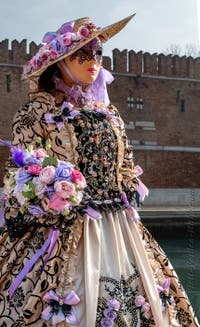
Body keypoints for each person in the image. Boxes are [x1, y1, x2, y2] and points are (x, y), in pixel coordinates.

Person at [0, 14, 199, 327]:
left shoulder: (109, 113)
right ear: (61, 62)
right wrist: (50, 194)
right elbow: (20, 171)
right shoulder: (35, 112)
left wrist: (128, 187)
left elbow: (125, 164)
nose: (93, 61)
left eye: (97, 53)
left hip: (119, 226)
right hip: (62, 230)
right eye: (82, 54)